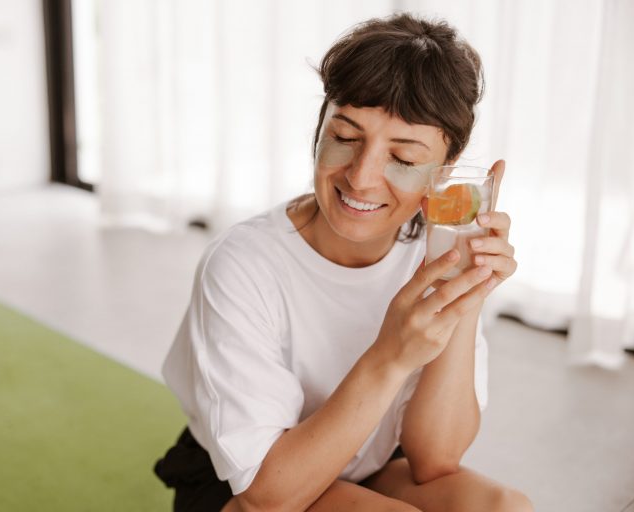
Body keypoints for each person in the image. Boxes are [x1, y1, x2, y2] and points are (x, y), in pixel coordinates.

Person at [154, 12, 532, 512]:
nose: (361, 177)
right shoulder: (243, 263)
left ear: (447, 168)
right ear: (320, 129)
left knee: (504, 507)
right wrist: (391, 353)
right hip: (250, 484)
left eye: (403, 157)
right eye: (347, 137)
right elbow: (267, 496)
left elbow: (435, 459)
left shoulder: (431, 251)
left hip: (365, 463)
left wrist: (467, 287)